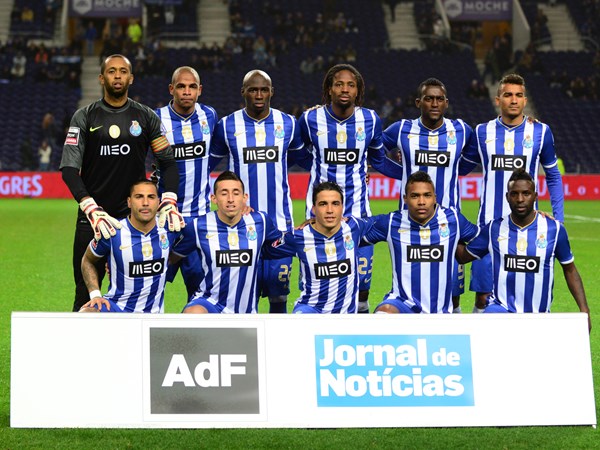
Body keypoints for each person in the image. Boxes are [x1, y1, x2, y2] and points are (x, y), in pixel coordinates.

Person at [60, 54, 183, 312]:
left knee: (134, 293)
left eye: (123, 71)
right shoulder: (84, 117)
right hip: (93, 220)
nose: (118, 76)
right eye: (112, 71)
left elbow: (168, 163)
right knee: (85, 293)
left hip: (133, 222)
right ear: (101, 78)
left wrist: (169, 200)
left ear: (131, 78)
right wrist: (90, 208)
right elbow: (69, 169)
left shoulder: (146, 117)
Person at [298, 63, 403, 313]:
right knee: (318, 283)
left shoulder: (370, 120)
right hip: (319, 217)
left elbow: (378, 160)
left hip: (358, 215)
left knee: (362, 285)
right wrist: (318, 166)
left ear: (358, 91)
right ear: (329, 89)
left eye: (351, 85)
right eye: (339, 84)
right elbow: (296, 153)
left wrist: (407, 175)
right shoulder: (310, 119)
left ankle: (359, 325)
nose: (345, 89)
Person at [461, 73, 564, 312]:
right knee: (483, 297)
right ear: (498, 100)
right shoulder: (482, 132)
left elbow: (553, 176)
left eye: (519, 95)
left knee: (523, 296)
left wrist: (558, 219)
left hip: (527, 231)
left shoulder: (540, 132)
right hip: (487, 228)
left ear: (525, 100)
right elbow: (459, 167)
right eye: (508, 95)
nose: (514, 100)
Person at [210, 69, 304, 313]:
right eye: (253, 90)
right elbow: (207, 165)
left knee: (278, 296)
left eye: (264, 89)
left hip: (280, 226)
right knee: (241, 296)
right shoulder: (226, 126)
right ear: (243, 92)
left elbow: (303, 159)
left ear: (272, 92)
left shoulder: (289, 124)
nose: (259, 95)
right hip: (240, 226)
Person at [382, 77, 476, 313]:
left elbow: (474, 156)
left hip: (449, 225)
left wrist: (456, 170)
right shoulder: (402, 129)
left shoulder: (461, 130)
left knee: (453, 292)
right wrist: (401, 172)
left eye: (439, 99)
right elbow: (375, 152)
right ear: (418, 102)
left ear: (446, 103)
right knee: (409, 286)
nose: (434, 104)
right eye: (429, 99)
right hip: (410, 224)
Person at [455, 170, 590, 331]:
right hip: (500, 312)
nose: (520, 199)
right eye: (514, 194)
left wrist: (585, 311)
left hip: (538, 317)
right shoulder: (494, 229)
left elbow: (570, 269)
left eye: (526, 193)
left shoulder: (553, 229)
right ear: (507, 197)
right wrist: (451, 224)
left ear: (535, 196)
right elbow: (463, 256)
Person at [362, 171, 478, 314]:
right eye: (415, 196)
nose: (421, 202)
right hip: (402, 303)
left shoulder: (453, 220)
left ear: (435, 198)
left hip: (439, 310)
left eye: (427, 195)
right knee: (384, 313)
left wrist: (464, 254)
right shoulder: (392, 222)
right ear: (405, 199)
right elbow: (356, 234)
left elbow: (483, 240)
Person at [172, 171, 285, 314]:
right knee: (193, 313)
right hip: (210, 303)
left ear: (244, 197)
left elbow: (284, 243)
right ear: (214, 198)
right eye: (224, 193)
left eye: (236, 193)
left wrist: (310, 228)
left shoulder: (260, 221)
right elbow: (171, 257)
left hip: (246, 311)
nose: (230, 199)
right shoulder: (198, 226)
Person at [155, 66, 218, 300]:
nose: (187, 91)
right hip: (164, 219)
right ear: (171, 89)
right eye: (181, 86)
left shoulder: (209, 116)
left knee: (200, 292)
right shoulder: (157, 118)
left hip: (199, 220)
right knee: (152, 287)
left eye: (192, 87)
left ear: (200, 90)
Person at [264, 181, 373, 313]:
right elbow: (262, 248)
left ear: (342, 208)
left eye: (335, 204)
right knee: (297, 322)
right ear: (314, 209)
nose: (329, 210)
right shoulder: (298, 236)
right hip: (310, 309)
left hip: (345, 316)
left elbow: (387, 223)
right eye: (323, 204)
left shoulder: (355, 227)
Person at [79, 180, 178, 313]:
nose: (145, 203)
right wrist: (95, 295)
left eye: (151, 197)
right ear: (129, 202)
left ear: (158, 202)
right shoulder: (113, 232)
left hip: (154, 316)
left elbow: (188, 246)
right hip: (116, 309)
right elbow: (87, 260)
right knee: (86, 314)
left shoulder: (170, 228)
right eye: (139, 197)